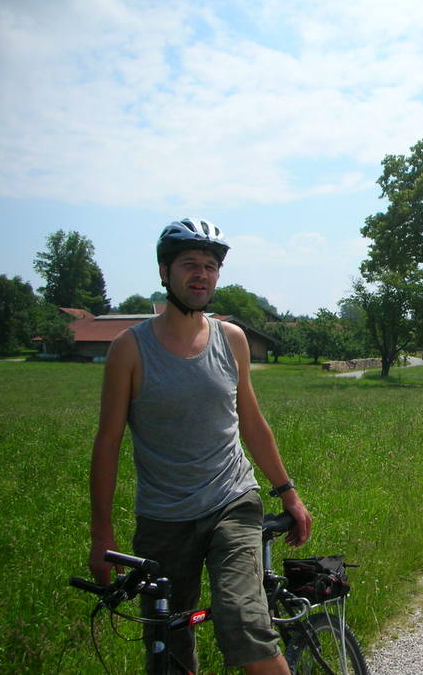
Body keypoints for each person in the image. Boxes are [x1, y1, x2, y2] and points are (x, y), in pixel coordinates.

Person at [88, 218, 312, 674]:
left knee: (243, 620)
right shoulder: (130, 350)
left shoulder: (231, 340)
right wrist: (101, 535)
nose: (202, 275)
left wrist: (287, 490)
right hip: (162, 517)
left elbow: (251, 421)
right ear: (164, 271)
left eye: (211, 267)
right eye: (190, 264)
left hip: (231, 502)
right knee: (167, 645)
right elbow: (108, 443)